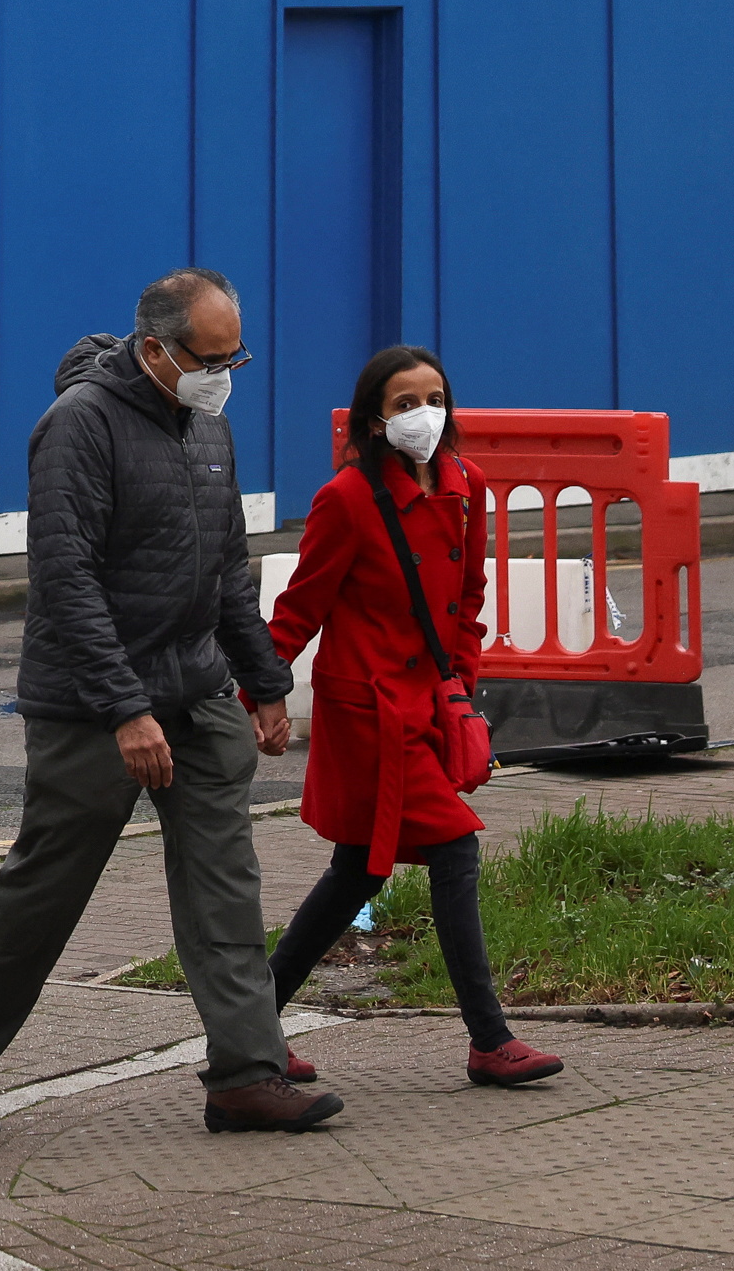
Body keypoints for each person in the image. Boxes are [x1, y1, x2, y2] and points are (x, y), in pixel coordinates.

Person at [0, 267, 332, 1138]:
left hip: (198, 688)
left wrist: (264, 682)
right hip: (92, 707)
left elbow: (227, 572)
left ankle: (246, 1075)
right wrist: (125, 709)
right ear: (153, 348)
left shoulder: (206, 427)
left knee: (226, 886)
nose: (225, 373)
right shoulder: (78, 428)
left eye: (236, 355)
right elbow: (65, 582)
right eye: (210, 356)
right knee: (47, 890)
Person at [260, 343, 562, 1089]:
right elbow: (299, 610)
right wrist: (260, 694)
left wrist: (460, 689)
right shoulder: (348, 499)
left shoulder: (467, 484)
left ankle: (247, 1026)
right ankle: (489, 1040)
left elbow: (468, 600)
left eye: (435, 397)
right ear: (373, 419)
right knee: (455, 847)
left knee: (357, 872)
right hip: (365, 713)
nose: (425, 414)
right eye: (404, 402)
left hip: (426, 704)